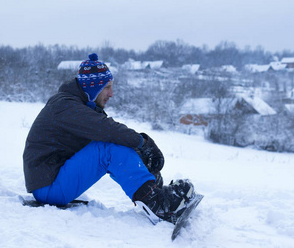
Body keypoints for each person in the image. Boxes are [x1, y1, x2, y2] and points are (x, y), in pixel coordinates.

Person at [23, 53, 195, 224]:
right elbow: (108, 130)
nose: (111, 93)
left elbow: (111, 133)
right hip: (49, 187)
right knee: (108, 147)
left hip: (53, 181)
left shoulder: (75, 105)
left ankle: (157, 193)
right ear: (93, 87)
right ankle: (158, 205)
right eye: (107, 87)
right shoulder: (66, 106)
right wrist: (144, 143)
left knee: (116, 143)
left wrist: (140, 151)